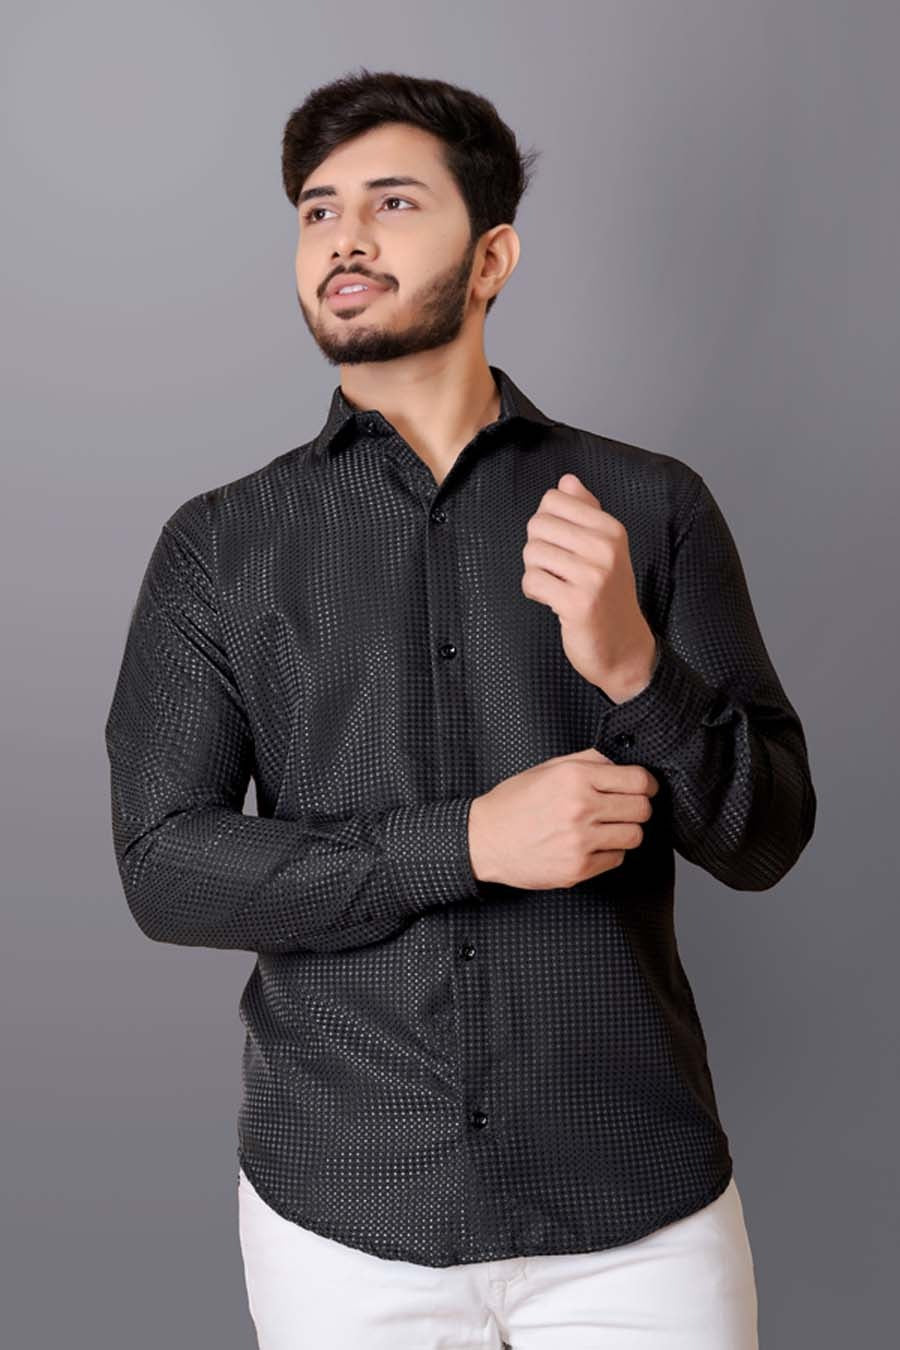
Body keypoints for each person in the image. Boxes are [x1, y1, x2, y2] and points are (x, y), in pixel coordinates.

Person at [104, 67, 816, 1350]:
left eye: (392, 203)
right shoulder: (220, 546)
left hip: (636, 1214)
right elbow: (165, 867)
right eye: (318, 212)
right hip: (343, 1218)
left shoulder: (650, 506)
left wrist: (635, 671)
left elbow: (767, 840)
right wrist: (468, 842)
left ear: (492, 258)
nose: (345, 238)